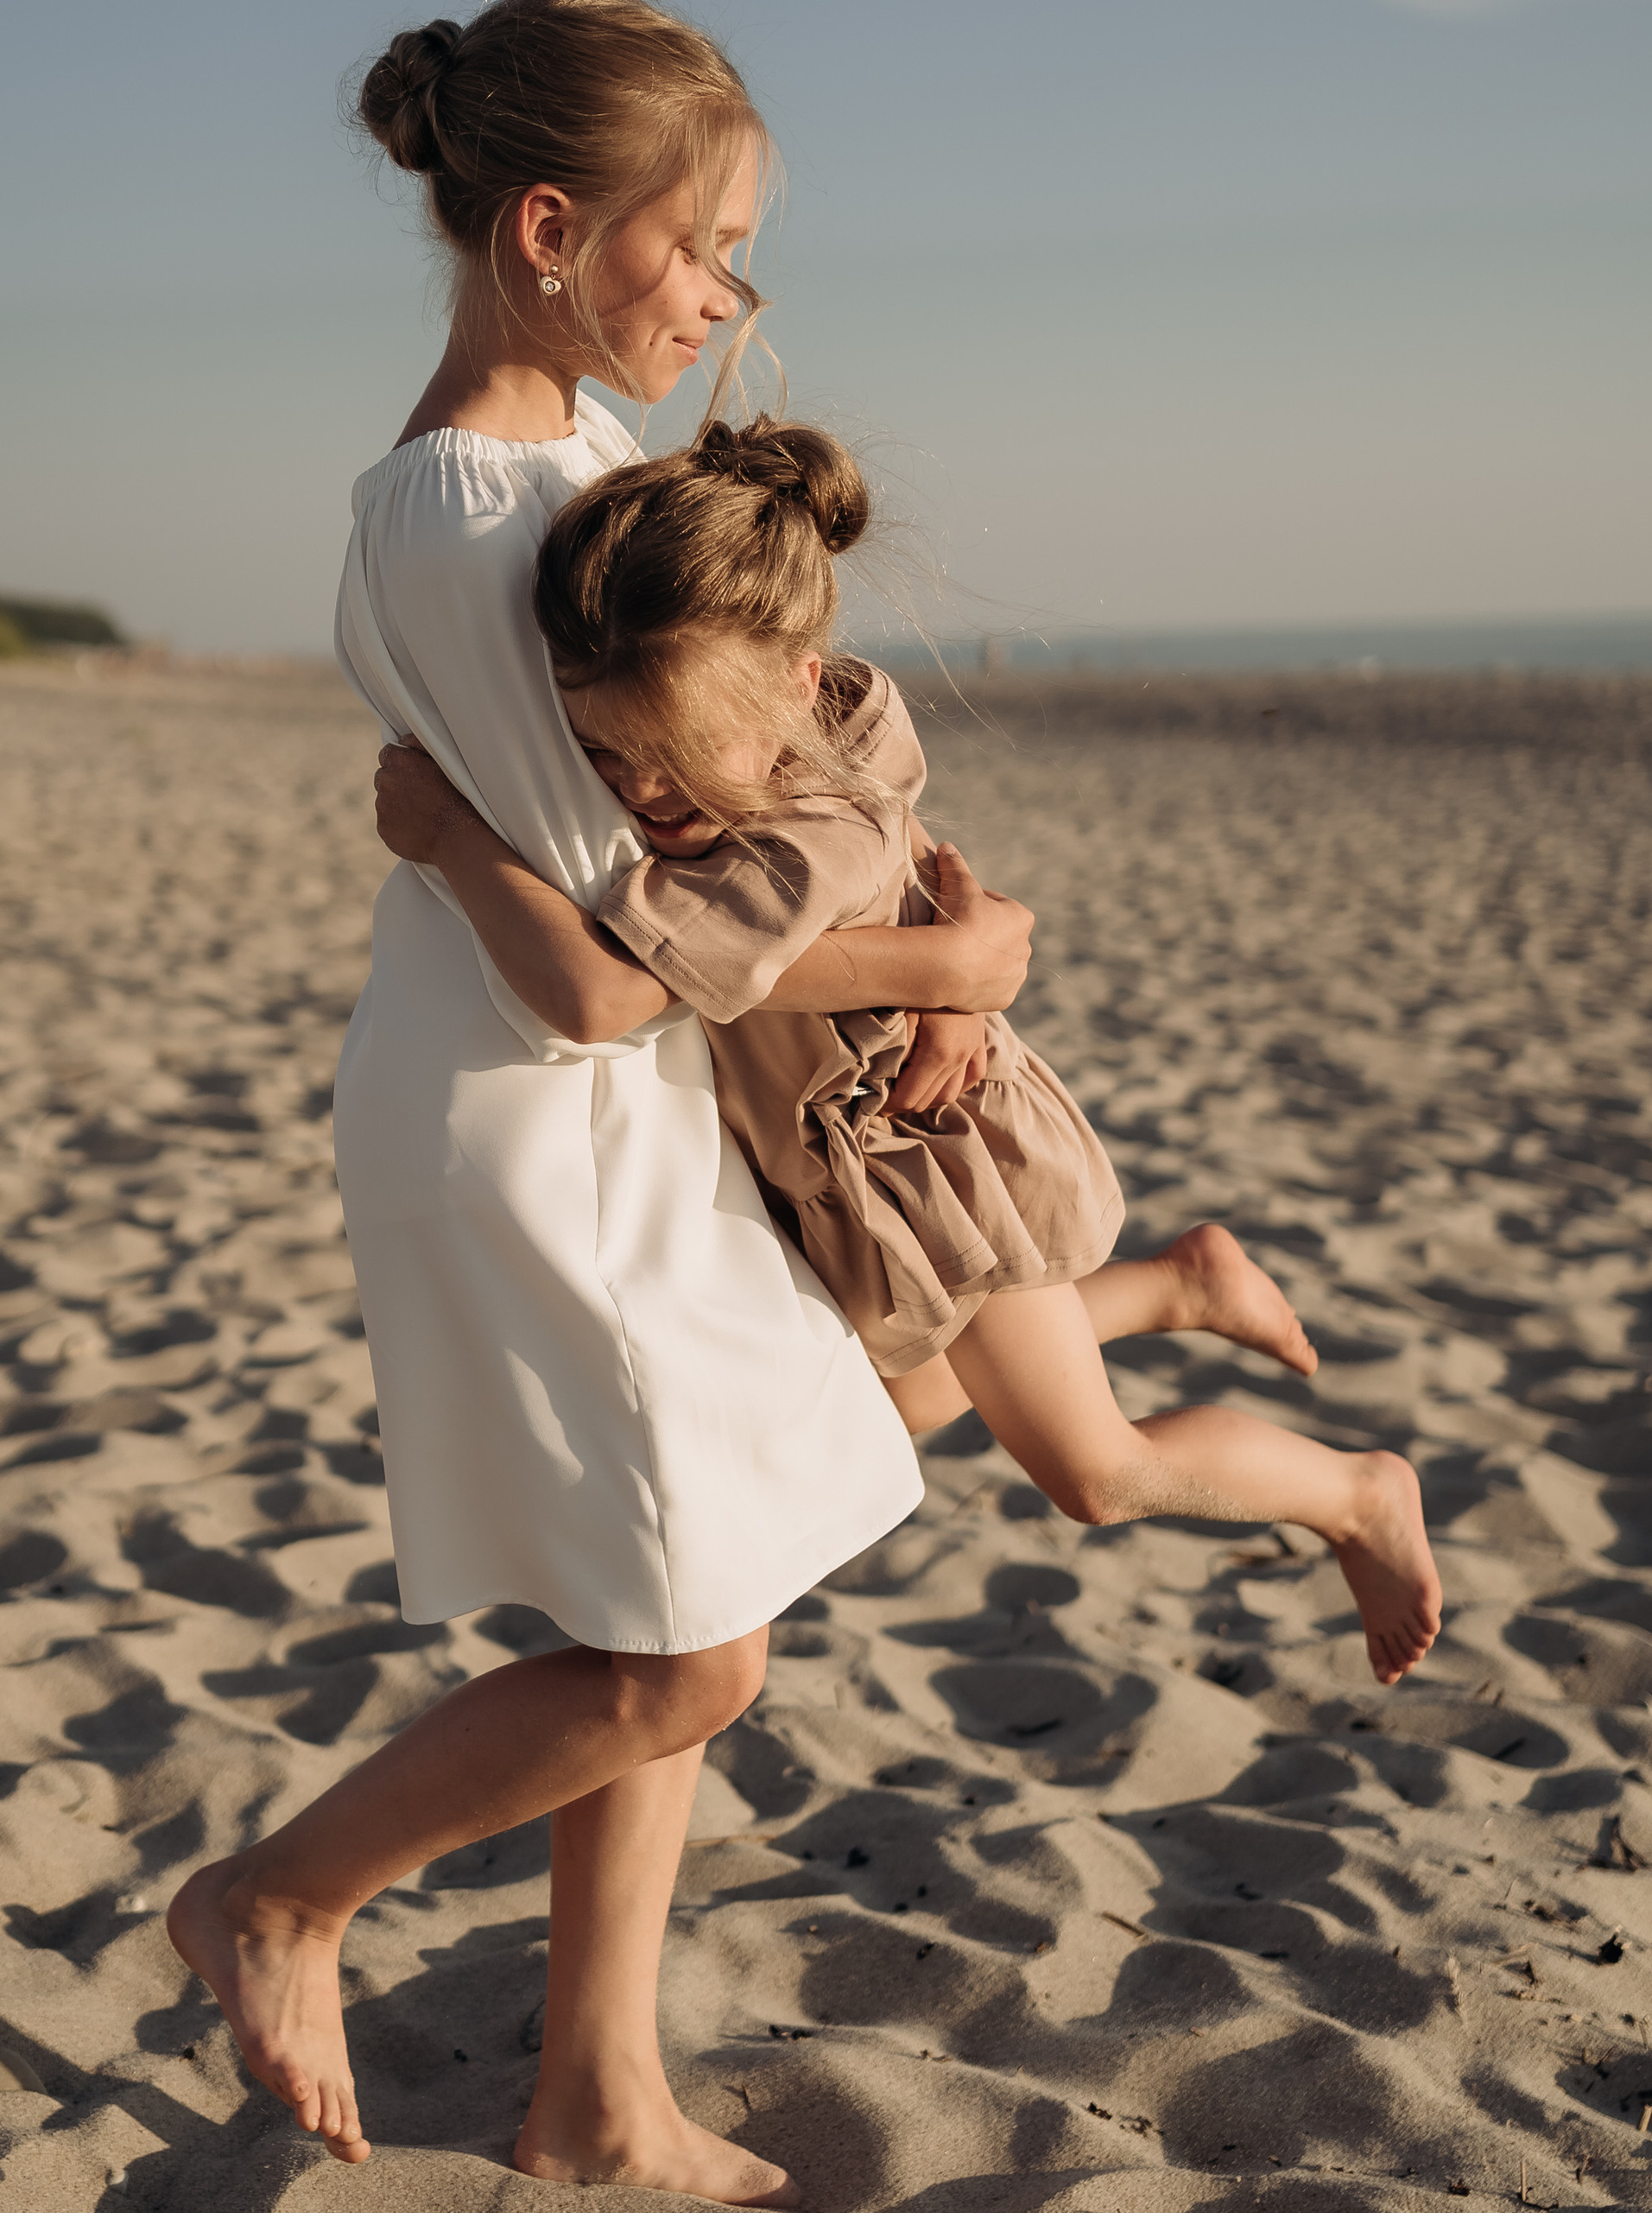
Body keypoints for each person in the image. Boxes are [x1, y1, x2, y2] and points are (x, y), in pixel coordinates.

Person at [168, 0, 1035, 2203]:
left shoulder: (569, 481)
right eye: (701, 244)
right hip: (536, 1103)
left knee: (668, 1590)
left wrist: (939, 893)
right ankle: (280, 1896)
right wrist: (939, 959)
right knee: (685, 1663)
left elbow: (734, 834)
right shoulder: (467, 514)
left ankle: (595, 2096)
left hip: (606, 1095)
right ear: (547, 228)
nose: (731, 300)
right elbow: (604, 952)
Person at [372, 415, 1445, 1691]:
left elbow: (603, 991)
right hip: (857, 1175)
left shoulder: (791, 846)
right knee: (905, 1410)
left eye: (674, 756)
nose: (641, 794)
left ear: (789, 678)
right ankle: (1175, 1288)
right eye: (602, 755)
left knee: (1094, 1471)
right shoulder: (822, 718)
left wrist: (454, 839)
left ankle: (1356, 1492)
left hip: (929, 1162)